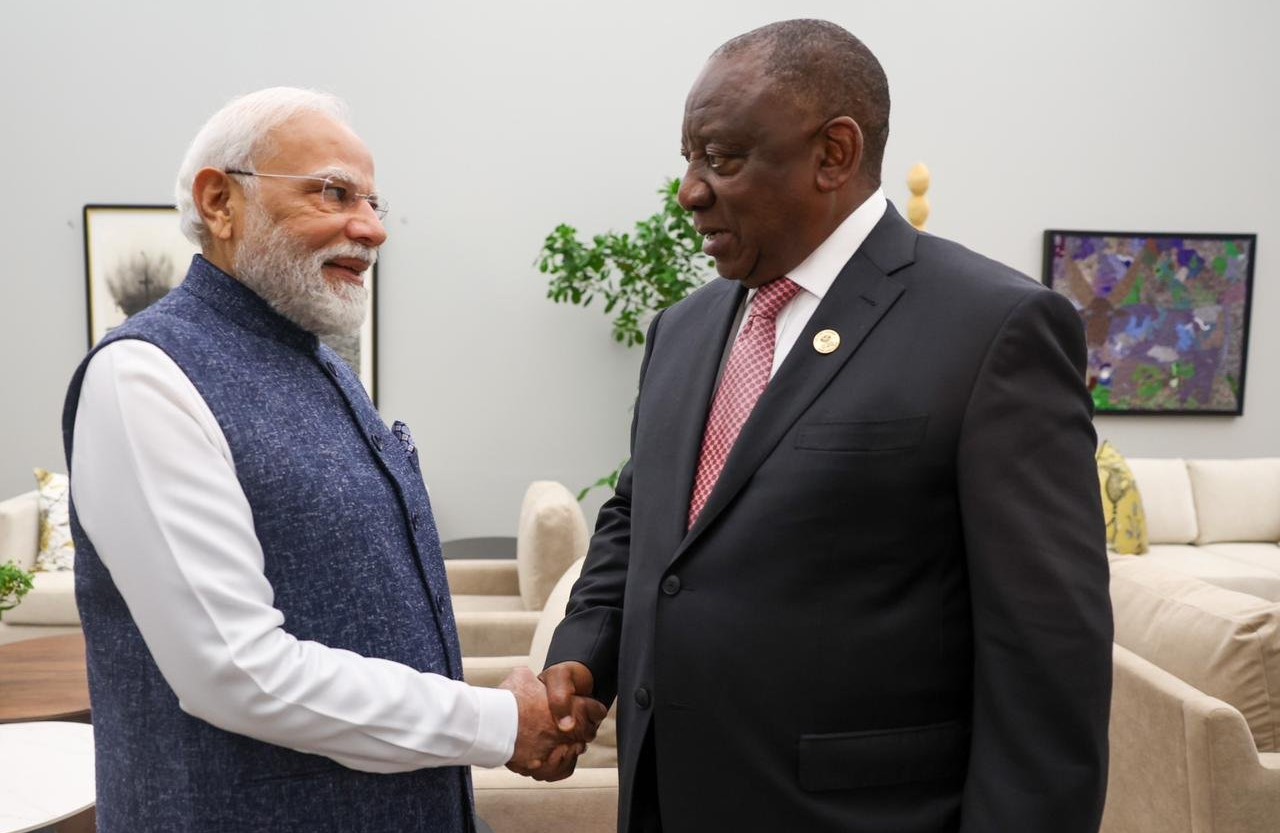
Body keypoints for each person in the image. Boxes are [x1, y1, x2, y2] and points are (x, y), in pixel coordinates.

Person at [540, 19, 1113, 833]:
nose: (690, 192)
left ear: (834, 154)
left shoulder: (994, 329)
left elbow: (1048, 660)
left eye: (722, 158)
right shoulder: (685, 328)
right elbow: (643, 519)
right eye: (688, 159)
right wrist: (581, 649)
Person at [63, 87, 603, 833]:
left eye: (374, 201)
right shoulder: (144, 379)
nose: (373, 228)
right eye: (334, 192)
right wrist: (498, 720)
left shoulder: (324, 366)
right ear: (220, 201)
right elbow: (239, 672)